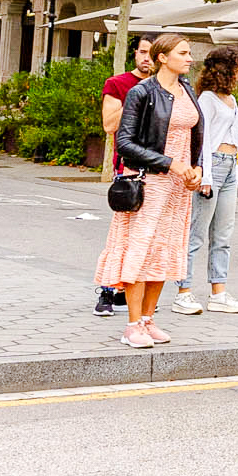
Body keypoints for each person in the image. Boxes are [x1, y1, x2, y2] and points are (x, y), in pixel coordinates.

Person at [97, 34, 210, 349]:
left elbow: (197, 136)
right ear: (163, 57)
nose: (189, 58)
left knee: (164, 250)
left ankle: (148, 319)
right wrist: (171, 163)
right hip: (148, 181)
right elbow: (124, 142)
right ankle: (132, 325)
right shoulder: (142, 92)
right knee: (141, 250)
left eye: (189, 53)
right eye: (183, 53)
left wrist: (197, 168)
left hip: (178, 185)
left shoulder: (187, 89)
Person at [172, 47, 238, 316]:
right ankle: (183, 292)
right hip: (212, 164)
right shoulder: (207, 98)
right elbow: (201, 138)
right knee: (196, 233)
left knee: (223, 234)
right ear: (227, 68)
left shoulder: (231, 99)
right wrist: (204, 173)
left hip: (230, 166)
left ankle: (218, 293)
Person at [95, 38, 156, 315]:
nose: (147, 58)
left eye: (152, 54)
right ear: (134, 53)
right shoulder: (119, 84)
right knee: (122, 234)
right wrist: (137, 96)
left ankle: (129, 293)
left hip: (159, 170)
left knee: (149, 238)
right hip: (128, 170)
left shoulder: (169, 87)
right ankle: (107, 291)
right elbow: (109, 124)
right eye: (142, 52)